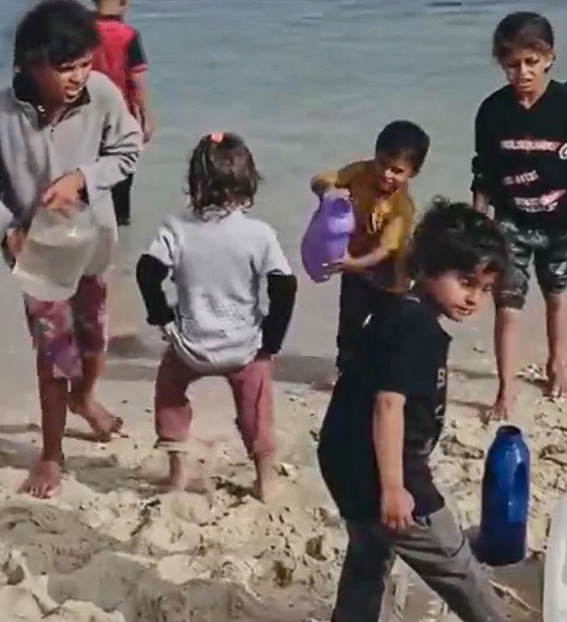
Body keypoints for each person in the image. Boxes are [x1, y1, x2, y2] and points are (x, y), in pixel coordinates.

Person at [0, 0, 142, 499]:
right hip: (35, 256)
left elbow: (129, 147)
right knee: (54, 356)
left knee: (95, 342)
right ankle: (52, 454)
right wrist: (4, 230)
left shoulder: (100, 94)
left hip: (93, 244)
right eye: (65, 68)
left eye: (84, 63)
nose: (79, 76)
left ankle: (86, 398)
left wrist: (85, 178)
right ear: (30, 65)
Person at [317, 198, 511, 622]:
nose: (474, 299)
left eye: (485, 289)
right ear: (425, 267)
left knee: (370, 555)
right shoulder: (416, 329)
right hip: (387, 469)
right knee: (455, 564)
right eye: (465, 281)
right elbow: (388, 405)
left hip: (343, 459)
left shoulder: (395, 312)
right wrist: (393, 486)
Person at [136, 132, 297, 502]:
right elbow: (284, 286)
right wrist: (270, 341)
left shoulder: (176, 227)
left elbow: (147, 271)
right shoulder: (259, 234)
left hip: (190, 346)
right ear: (248, 182)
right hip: (243, 347)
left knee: (169, 392)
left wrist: (162, 319)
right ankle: (265, 480)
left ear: (194, 182)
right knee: (256, 407)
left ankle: (178, 474)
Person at [471, 11, 567, 418]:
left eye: (531, 62)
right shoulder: (492, 111)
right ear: (501, 64)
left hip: (560, 222)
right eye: (512, 65)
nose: (523, 72)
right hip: (510, 222)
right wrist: (480, 231)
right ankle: (505, 389)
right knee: (508, 307)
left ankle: (557, 362)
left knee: (556, 298)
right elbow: (482, 176)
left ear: (549, 58)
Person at [310, 121, 430, 375]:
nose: (386, 174)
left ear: (413, 173)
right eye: (382, 163)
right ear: (374, 156)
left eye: (397, 170)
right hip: (355, 266)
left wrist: (351, 264)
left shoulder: (402, 208)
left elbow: (385, 250)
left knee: (387, 328)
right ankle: (346, 372)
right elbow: (321, 179)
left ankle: (384, 374)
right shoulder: (359, 171)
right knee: (349, 325)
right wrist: (329, 192)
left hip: (389, 274)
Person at [91, 0, 154, 226]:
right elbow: (136, 80)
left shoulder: (80, 31)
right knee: (121, 181)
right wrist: (147, 118)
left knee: (90, 180)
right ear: (124, 3)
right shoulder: (128, 35)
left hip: (85, 119)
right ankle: (120, 239)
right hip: (121, 118)